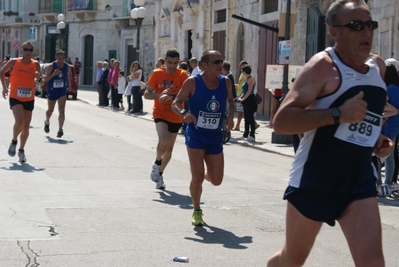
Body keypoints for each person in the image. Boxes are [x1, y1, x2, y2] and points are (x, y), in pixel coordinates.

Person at [267, 1, 392, 266]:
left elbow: (365, 119)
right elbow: (281, 122)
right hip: (316, 178)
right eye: (356, 26)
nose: (366, 32)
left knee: (373, 263)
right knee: (292, 260)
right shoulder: (322, 68)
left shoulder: (377, 68)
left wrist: (377, 140)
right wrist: (338, 114)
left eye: (370, 25)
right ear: (335, 33)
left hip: (358, 178)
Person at [171, 50, 234, 226]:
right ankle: (197, 210)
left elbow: (230, 101)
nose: (220, 64)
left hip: (214, 136)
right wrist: (184, 113)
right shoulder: (193, 82)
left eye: (221, 61)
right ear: (204, 66)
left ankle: (202, 175)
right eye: (216, 62)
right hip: (195, 134)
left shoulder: (226, 82)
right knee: (197, 177)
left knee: (216, 180)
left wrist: (230, 117)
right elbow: (175, 102)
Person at [144, 48, 189, 189]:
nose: (172, 66)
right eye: (169, 62)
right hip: (160, 113)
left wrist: (173, 97)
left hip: (176, 114)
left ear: (179, 62)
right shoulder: (157, 74)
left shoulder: (183, 75)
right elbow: (146, 94)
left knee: (169, 151)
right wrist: (160, 96)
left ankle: (160, 175)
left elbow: (188, 94)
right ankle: (157, 163)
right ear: (165, 60)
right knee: (163, 140)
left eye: (175, 63)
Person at [0, 41, 44, 162]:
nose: (28, 52)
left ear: (32, 52)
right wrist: (4, 87)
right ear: (22, 50)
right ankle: (14, 141)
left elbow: (41, 82)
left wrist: (39, 78)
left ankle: (21, 150)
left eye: (30, 50)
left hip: (29, 98)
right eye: (26, 49)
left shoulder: (36, 65)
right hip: (15, 96)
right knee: (19, 121)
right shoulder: (14, 62)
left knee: (25, 127)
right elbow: (2, 71)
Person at [379, 64, 399, 193]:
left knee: (386, 155)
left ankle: (388, 183)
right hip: (395, 126)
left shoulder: (390, 90)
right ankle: (390, 182)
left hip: (388, 126)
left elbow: (386, 107)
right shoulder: (397, 88)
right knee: (390, 155)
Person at [44, 50, 73, 138]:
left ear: (65, 58)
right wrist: (53, 74)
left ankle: (60, 129)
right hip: (52, 90)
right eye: (59, 58)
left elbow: (70, 75)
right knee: (50, 110)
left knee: (61, 109)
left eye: (62, 59)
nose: (61, 60)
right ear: (56, 58)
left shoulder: (67, 66)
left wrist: (70, 85)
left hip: (62, 90)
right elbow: (45, 79)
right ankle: (47, 121)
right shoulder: (51, 66)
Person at [238, 64, 257, 142]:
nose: (242, 72)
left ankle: (252, 134)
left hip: (250, 99)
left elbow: (249, 91)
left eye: (242, 71)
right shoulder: (247, 79)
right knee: (246, 118)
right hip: (246, 99)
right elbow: (244, 91)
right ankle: (246, 133)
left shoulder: (251, 79)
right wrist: (241, 97)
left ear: (245, 71)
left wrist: (243, 99)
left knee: (250, 118)